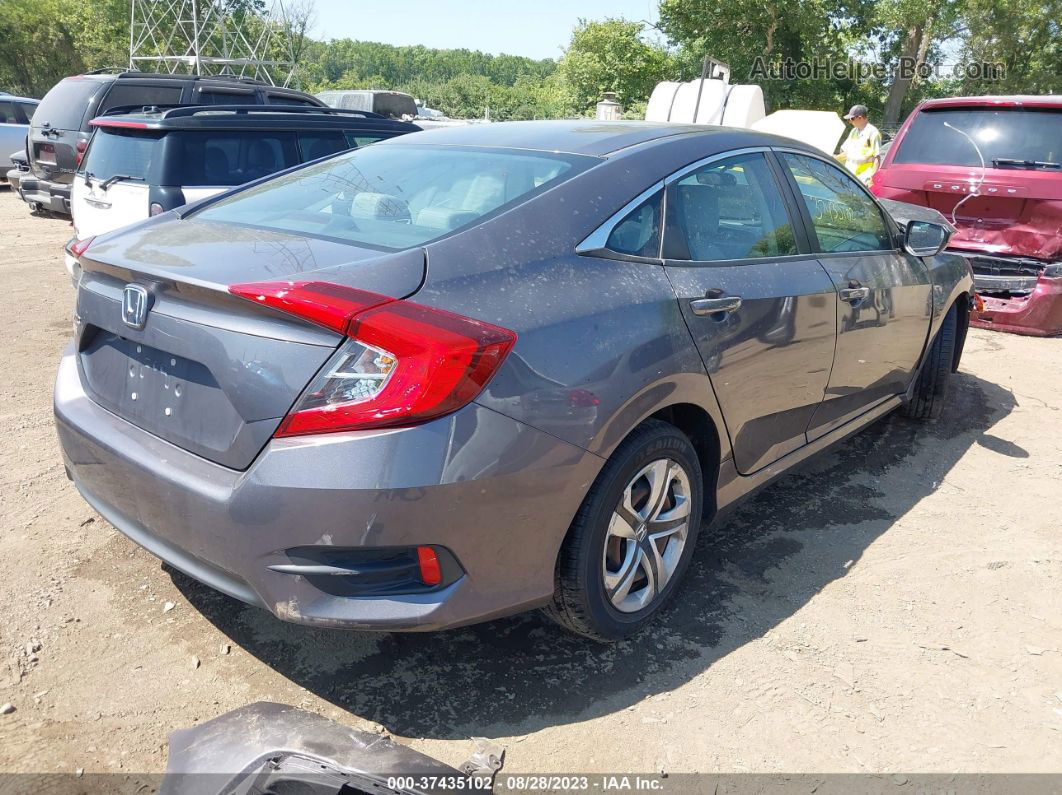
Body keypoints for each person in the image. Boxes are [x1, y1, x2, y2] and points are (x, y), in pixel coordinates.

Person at [836, 104, 881, 185]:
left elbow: (877, 158)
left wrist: (872, 179)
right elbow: (846, 153)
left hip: (863, 179)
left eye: (852, 118)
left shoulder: (873, 133)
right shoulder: (854, 131)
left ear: (860, 117)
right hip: (850, 176)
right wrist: (832, 160)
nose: (850, 121)